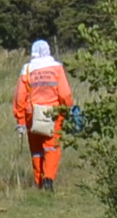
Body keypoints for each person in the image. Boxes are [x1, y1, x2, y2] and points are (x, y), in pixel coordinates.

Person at [12, 39, 77, 191]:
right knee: (51, 147)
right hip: (53, 113)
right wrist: (69, 109)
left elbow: (20, 97)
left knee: (36, 150)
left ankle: (38, 181)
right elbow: (65, 93)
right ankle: (48, 179)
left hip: (31, 114)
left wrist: (20, 119)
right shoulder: (57, 68)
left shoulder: (27, 70)